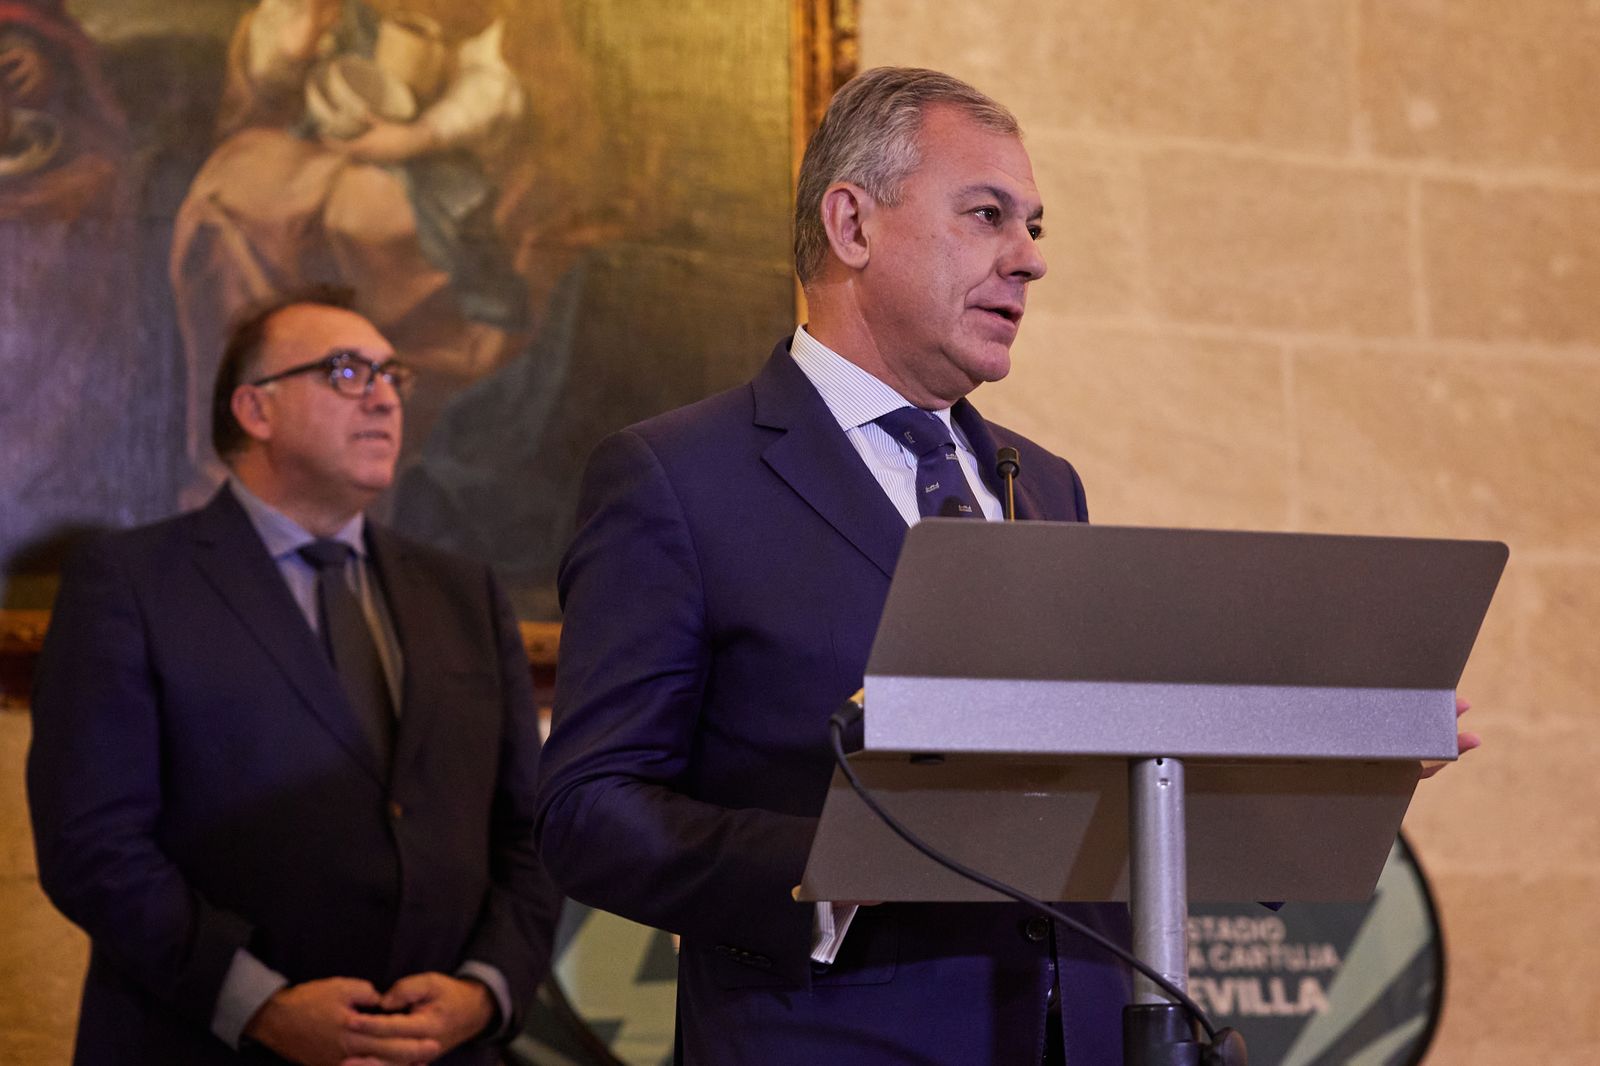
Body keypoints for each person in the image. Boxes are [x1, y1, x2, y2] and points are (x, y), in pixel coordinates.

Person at [534, 67, 1133, 1066]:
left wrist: (1319, 760)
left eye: (1034, 225)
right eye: (987, 215)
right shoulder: (677, 478)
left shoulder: (1048, 484)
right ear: (852, 225)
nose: (1028, 260)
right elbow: (587, 810)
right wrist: (837, 859)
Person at [27, 286, 560, 1065]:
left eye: (392, 376)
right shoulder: (131, 583)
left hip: (442, 1048)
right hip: (205, 1042)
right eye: (347, 373)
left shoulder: (464, 592)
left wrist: (486, 989)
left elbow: (532, 831)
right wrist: (259, 1005)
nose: (384, 398)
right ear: (255, 409)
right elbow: (93, 845)